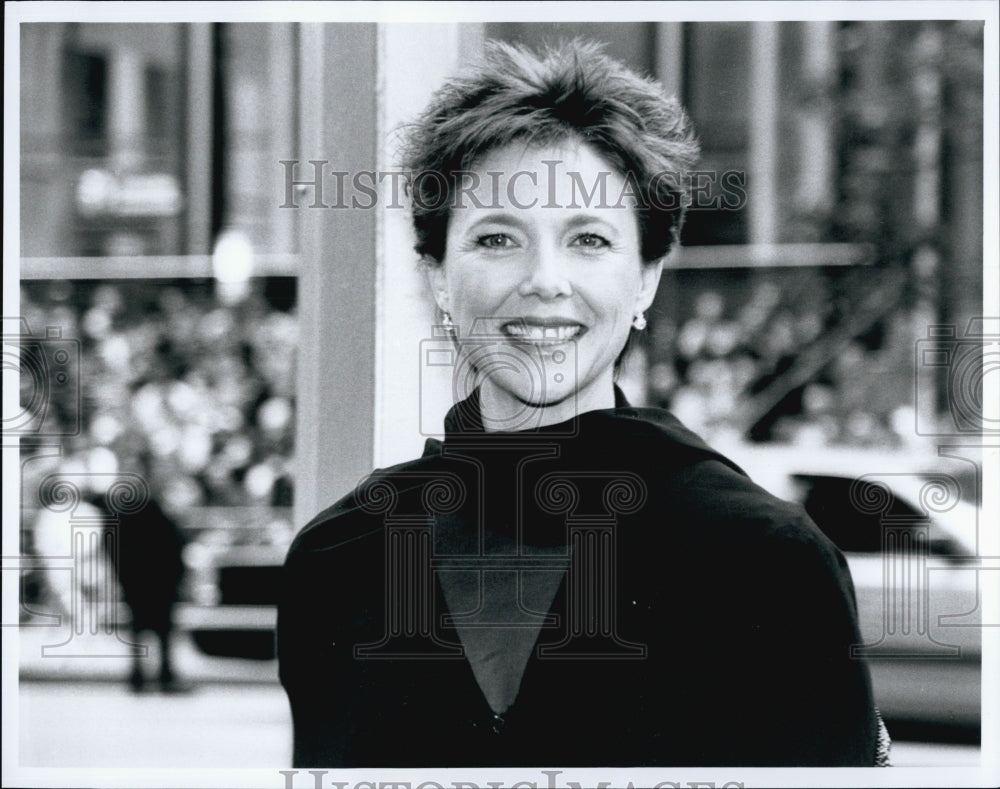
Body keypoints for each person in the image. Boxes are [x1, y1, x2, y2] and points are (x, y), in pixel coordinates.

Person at [278, 40, 889, 767]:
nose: (545, 280)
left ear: (646, 280)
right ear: (438, 276)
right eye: (498, 237)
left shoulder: (766, 560)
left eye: (589, 239)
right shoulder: (338, 558)